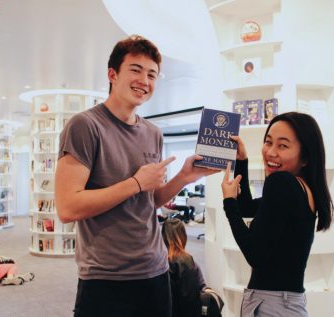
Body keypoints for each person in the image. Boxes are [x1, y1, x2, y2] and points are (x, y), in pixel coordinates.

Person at [55, 34, 216, 317]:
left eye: (152, 74)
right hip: (105, 277)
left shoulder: (153, 133)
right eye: (136, 70)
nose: (145, 80)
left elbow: (149, 201)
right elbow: (68, 207)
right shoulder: (84, 126)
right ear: (112, 74)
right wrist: (136, 182)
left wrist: (184, 177)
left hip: (154, 270)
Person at [221, 112, 334, 317]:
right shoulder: (302, 187)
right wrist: (242, 161)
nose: (270, 152)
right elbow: (247, 207)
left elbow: (255, 254)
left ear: (306, 156)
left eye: (283, 145)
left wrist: (229, 203)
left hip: (270, 304)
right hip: (289, 303)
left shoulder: (282, 183)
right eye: (268, 142)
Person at [161, 218, 206, 317]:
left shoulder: (156, 261)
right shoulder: (189, 261)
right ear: (183, 236)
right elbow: (196, 292)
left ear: (162, 236)